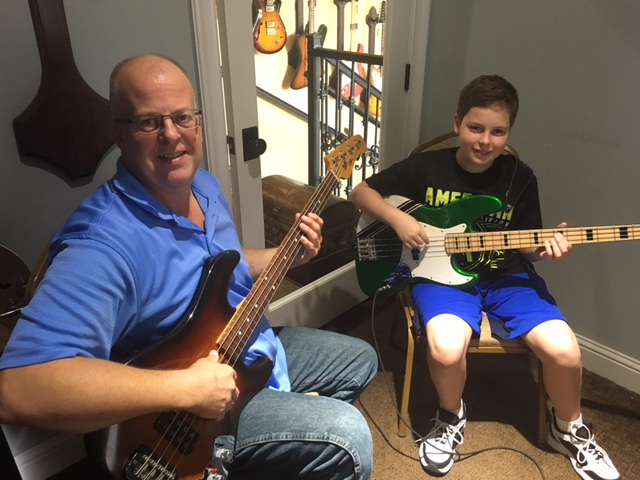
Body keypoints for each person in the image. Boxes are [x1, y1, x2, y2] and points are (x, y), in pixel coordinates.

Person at [0, 54, 377, 480]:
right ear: (118, 134)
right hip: (184, 415)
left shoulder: (205, 185)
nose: (170, 135)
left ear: (198, 121)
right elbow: (19, 388)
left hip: (249, 348)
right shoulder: (103, 242)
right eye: (148, 122)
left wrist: (282, 256)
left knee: (360, 359)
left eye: (182, 117)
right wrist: (184, 389)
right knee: (348, 437)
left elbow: (222, 265)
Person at [350, 75, 619, 480]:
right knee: (444, 348)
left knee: (565, 351)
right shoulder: (426, 166)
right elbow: (361, 191)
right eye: (475, 128)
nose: (485, 141)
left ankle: (567, 428)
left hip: (505, 275)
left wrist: (545, 249)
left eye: (498, 131)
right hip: (439, 275)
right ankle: (450, 416)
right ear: (458, 122)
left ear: (509, 132)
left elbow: (528, 245)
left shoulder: (519, 177)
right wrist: (399, 219)